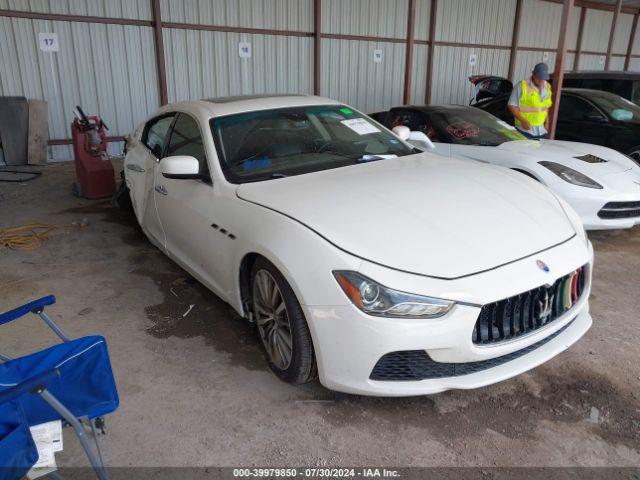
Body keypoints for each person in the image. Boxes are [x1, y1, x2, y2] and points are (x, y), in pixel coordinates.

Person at [508, 63, 552, 139]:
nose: (541, 81)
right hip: (525, 131)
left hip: (542, 131)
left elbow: (545, 107)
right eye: (539, 78)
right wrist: (523, 121)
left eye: (543, 79)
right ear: (533, 74)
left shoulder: (547, 87)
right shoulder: (521, 86)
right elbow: (511, 105)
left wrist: (547, 123)